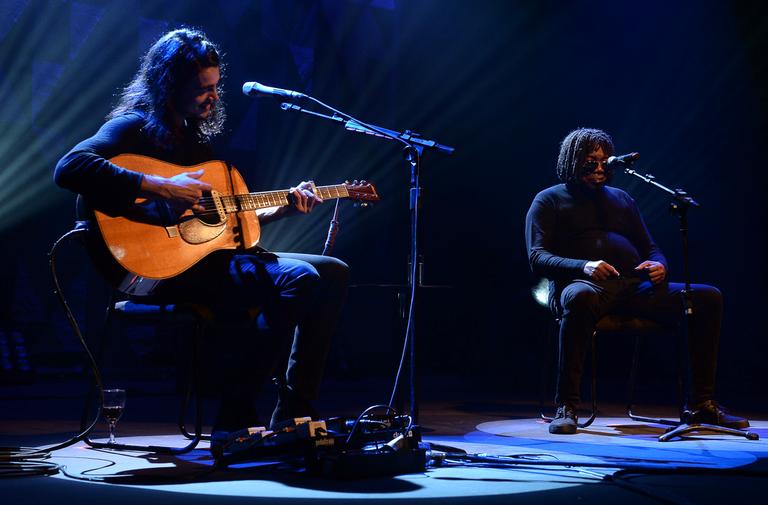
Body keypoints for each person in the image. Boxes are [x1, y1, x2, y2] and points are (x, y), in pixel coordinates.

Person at [54, 28, 349, 442]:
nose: (212, 97)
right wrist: (162, 187)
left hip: (205, 261)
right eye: (200, 89)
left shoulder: (194, 138)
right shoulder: (133, 127)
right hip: (154, 271)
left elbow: (219, 229)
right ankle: (235, 417)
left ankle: (294, 414)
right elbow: (69, 168)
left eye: (215, 86)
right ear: (168, 85)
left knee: (332, 271)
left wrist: (284, 206)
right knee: (300, 278)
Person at [525, 127, 748, 434]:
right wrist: (585, 266)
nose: (600, 167)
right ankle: (567, 405)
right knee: (579, 297)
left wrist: (659, 265)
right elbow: (537, 257)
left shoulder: (622, 199)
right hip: (581, 285)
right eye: (591, 160)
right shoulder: (548, 200)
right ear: (573, 160)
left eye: (604, 160)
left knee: (706, 297)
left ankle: (702, 404)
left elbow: (652, 248)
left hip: (632, 286)